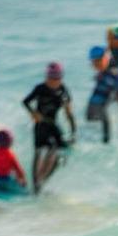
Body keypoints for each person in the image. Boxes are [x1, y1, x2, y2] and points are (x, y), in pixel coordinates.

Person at [22, 62, 77, 194]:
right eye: (52, 78)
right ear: (47, 77)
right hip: (41, 124)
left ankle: (43, 181)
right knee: (39, 151)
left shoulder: (63, 90)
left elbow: (69, 113)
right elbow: (25, 102)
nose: (55, 81)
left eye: (58, 78)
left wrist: (73, 131)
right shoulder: (40, 89)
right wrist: (33, 113)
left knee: (61, 152)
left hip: (53, 123)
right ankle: (35, 185)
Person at [86, 45, 118, 144]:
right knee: (90, 113)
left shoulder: (114, 70)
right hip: (103, 86)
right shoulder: (105, 66)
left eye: (96, 62)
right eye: (93, 62)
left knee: (102, 110)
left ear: (104, 58)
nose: (94, 65)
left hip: (110, 92)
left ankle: (106, 139)